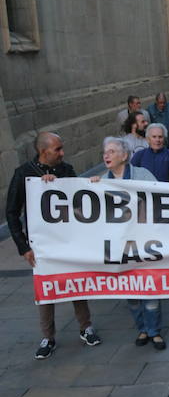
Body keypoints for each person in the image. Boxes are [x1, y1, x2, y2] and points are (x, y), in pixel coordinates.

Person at [5, 131, 102, 359]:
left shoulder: (65, 170)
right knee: (46, 289)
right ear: (43, 151)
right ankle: (48, 337)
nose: (62, 153)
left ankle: (85, 327)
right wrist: (23, 246)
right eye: (57, 149)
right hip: (43, 245)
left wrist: (87, 185)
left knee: (76, 284)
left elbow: (80, 200)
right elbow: (11, 212)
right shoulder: (24, 174)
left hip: (68, 240)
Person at [94, 137, 166, 349]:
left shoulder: (142, 175)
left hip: (144, 242)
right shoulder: (100, 182)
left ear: (124, 156)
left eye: (112, 151)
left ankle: (155, 331)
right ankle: (142, 329)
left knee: (149, 289)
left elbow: (161, 196)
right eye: (105, 152)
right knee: (130, 291)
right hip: (119, 246)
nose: (106, 155)